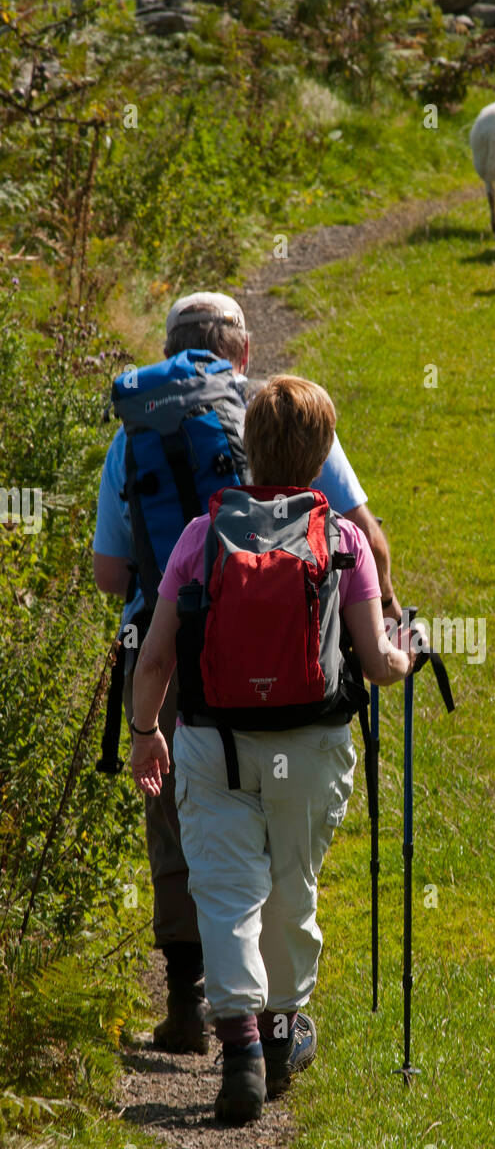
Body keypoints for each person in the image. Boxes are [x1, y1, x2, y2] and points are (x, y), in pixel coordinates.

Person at [92, 293, 402, 1055]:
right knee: (284, 847)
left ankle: (188, 1008)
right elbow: (362, 534)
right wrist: (388, 617)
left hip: (175, 666)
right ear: (244, 349)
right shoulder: (283, 414)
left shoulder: (135, 431)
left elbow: (108, 574)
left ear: (170, 349)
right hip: (299, 679)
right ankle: (277, 1015)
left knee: (186, 834)